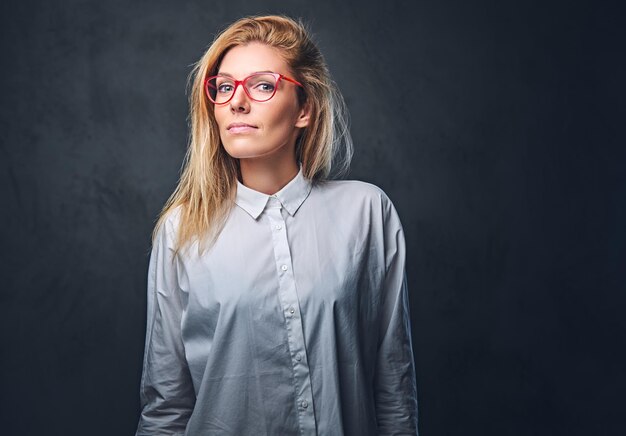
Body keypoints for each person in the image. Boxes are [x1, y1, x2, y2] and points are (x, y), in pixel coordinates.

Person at [135, 15, 418, 436]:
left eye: (263, 85)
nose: (237, 102)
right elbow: (166, 407)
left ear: (304, 109)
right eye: (225, 86)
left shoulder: (367, 213)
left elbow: (394, 385)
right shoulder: (182, 231)